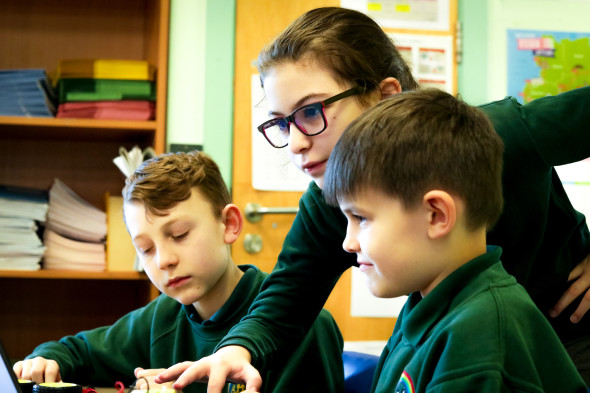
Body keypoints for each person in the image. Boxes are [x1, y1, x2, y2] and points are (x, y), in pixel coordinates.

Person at [156, 7, 590, 392]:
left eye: (310, 112)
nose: (294, 145)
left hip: (569, 335)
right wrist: (238, 348)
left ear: (386, 95)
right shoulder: (328, 199)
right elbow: (288, 295)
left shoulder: (501, 136)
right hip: (458, 338)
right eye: (281, 124)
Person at [12, 151, 344, 393]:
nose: (164, 260)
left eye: (180, 235)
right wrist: (45, 360)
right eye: (145, 248)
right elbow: (76, 351)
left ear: (229, 225)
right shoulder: (163, 317)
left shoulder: (303, 322)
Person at [322, 88, 586, 392]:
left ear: (436, 215)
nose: (348, 242)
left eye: (362, 219)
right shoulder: (426, 303)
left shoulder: (478, 335)